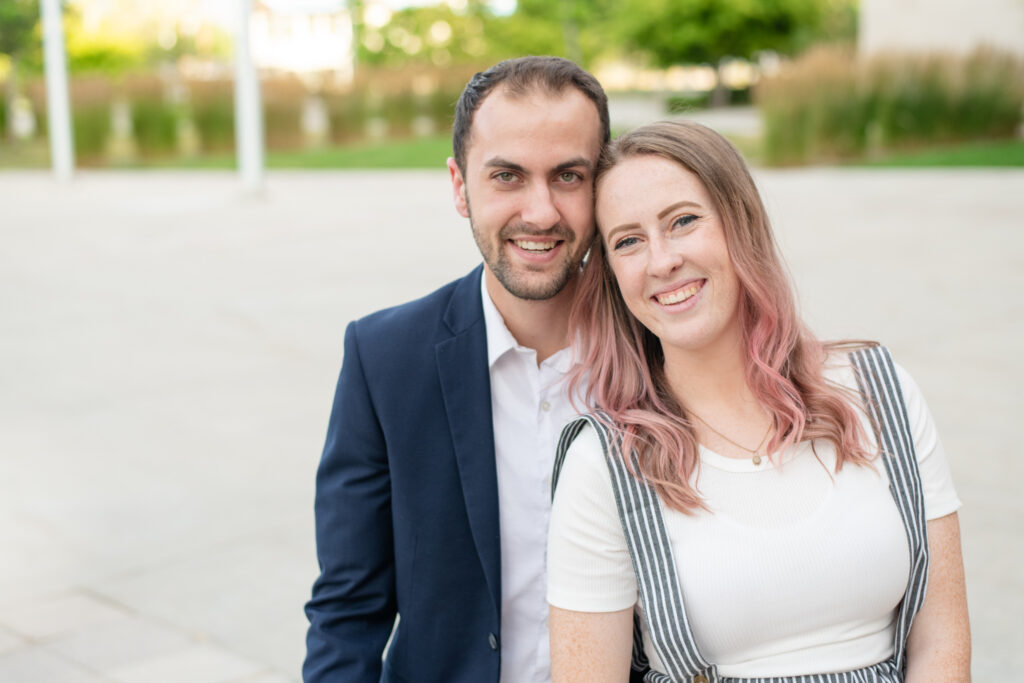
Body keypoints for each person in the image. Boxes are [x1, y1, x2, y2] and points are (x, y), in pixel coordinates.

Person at [546, 121, 971, 682]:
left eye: (684, 221)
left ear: (740, 223)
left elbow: (941, 639)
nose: (662, 259)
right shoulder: (605, 462)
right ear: (612, 275)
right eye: (628, 240)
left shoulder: (876, 390)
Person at [303, 56, 610, 683]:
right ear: (459, 186)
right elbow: (347, 609)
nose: (542, 212)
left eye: (569, 176)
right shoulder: (383, 356)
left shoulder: (660, 348)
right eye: (507, 176)